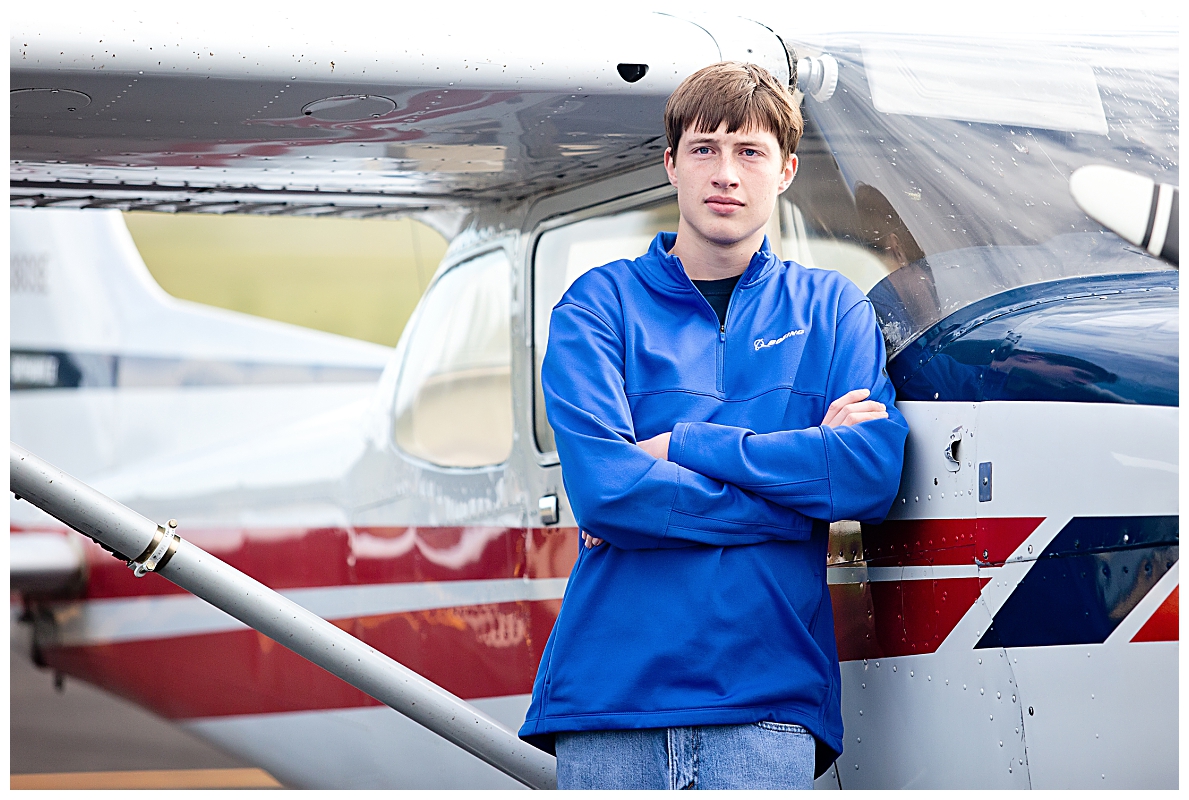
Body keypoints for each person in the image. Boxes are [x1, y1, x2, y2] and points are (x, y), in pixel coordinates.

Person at [518, 62, 909, 790]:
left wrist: (686, 446)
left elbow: (866, 475)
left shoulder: (833, 311)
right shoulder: (595, 308)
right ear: (670, 164)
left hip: (768, 699)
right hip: (610, 700)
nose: (724, 173)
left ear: (786, 170)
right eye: (703, 149)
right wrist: (795, 501)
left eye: (749, 152)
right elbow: (607, 495)